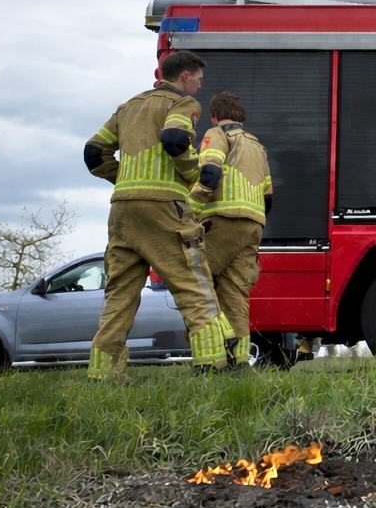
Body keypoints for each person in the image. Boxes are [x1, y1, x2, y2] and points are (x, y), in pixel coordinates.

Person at [84, 50, 236, 379]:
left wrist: (124, 178)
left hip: (122, 210)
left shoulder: (128, 107)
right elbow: (175, 138)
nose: (200, 83)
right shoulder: (182, 103)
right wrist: (192, 174)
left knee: (119, 294)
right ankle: (213, 366)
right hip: (164, 208)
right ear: (185, 76)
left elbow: (93, 152)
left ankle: (104, 374)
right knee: (193, 285)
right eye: (198, 77)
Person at [189, 91, 273, 368]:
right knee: (236, 295)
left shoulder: (216, 134)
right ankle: (238, 362)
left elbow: (210, 173)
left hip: (222, 220)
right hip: (253, 225)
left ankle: (215, 352)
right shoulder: (257, 146)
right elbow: (269, 196)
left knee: (196, 284)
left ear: (214, 115)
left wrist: (190, 206)